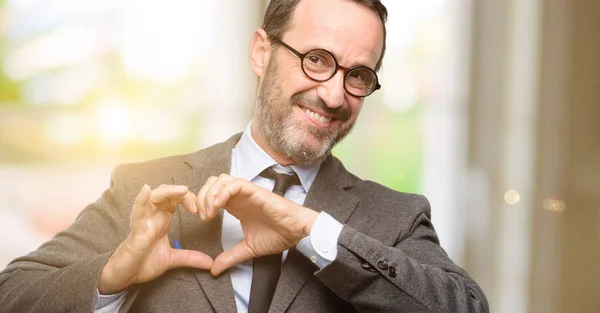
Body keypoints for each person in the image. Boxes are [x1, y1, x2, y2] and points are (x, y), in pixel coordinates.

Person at [0, 0, 489, 312]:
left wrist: (309, 229)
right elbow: (13, 293)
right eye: (317, 59)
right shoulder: (144, 187)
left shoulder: (396, 217)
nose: (336, 95)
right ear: (261, 52)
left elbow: (467, 307)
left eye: (358, 75)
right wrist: (113, 273)